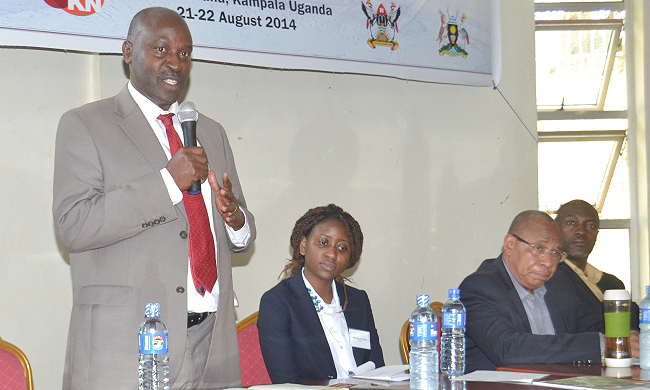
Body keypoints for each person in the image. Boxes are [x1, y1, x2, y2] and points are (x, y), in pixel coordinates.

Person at [52, 7, 255, 390]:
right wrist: (167, 181)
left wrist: (236, 221)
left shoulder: (211, 131)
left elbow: (240, 228)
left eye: (184, 53)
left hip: (211, 340)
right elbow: (74, 226)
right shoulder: (85, 124)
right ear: (128, 51)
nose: (175, 63)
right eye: (161, 49)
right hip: (127, 345)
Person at [460, 210, 609, 371]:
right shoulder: (480, 287)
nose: (548, 262)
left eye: (555, 253)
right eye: (539, 248)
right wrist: (600, 344)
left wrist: (625, 335)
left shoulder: (559, 283)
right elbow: (508, 349)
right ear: (510, 245)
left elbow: (596, 324)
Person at [257, 204, 384, 383]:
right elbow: (286, 381)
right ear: (303, 246)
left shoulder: (358, 300)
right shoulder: (277, 303)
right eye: (323, 243)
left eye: (342, 248)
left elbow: (377, 366)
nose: (332, 254)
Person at [555, 199, 639, 330]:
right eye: (571, 223)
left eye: (590, 226)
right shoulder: (550, 278)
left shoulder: (612, 284)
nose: (581, 231)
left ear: (597, 234)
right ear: (555, 229)